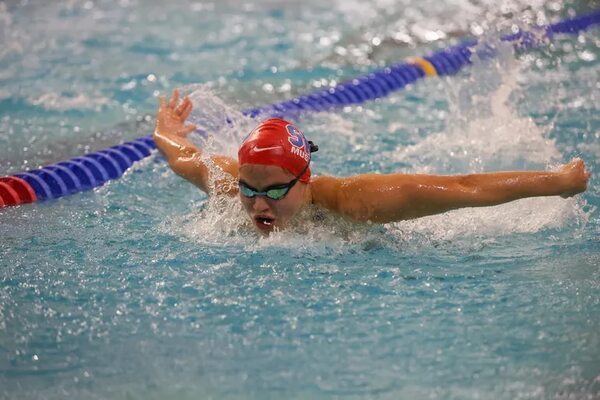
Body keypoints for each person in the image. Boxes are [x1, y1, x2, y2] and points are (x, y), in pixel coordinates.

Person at [153, 90, 590, 235]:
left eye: (272, 192)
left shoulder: (357, 202)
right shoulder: (234, 186)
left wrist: (557, 181)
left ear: (306, 181)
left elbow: (464, 186)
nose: (257, 204)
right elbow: (184, 157)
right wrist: (167, 128)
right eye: (250, 188)